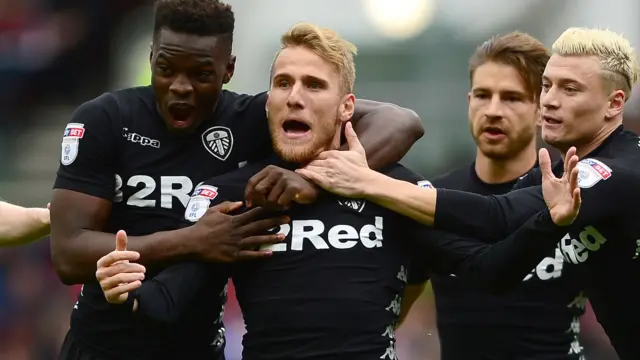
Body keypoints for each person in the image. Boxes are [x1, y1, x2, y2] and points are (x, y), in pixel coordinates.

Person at [95, 22, 583, 360]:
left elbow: (487, 271)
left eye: (314, 84)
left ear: (347, 106)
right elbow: (172, 298)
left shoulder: (391, 189)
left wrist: (549, 221)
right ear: (267, 103)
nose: (295, 95)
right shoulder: (235, 191)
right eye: (283, 83)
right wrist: (127, 293)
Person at [50, 1, 424, 359]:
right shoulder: (106, 120)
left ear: (227, 70)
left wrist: (317, 181)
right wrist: (191, 241)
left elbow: (401, 121)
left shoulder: (253, 118)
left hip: (197, 347)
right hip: (103, 344)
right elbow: (68, 255)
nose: (181, 86)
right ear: (151, 58)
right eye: (166, 69)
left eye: (201, 74)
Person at [297, 27, 640, 360]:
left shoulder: (617, 171)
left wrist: (365, 180)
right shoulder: (552, 182)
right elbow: (492, 273)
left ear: (614, 104)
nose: (551, 100)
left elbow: (497, 216)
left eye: (570, 89)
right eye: (548, 86)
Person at [400, 32, 586, 360]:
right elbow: (395, 311)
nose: (493, 110)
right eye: (483, 96)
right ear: (469, 101)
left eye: (511, 98)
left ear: (541, 110)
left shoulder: (573, 192)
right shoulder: (433, 198)